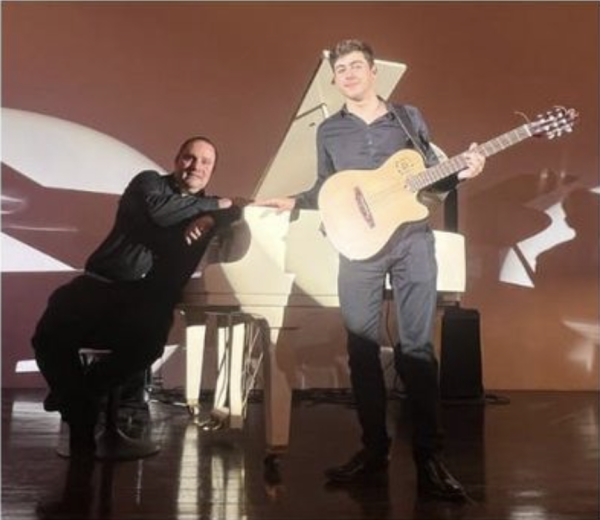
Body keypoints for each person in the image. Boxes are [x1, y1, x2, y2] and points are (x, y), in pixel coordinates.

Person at [256, 39, 485, 501]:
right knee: (361, 349)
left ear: (373, 71)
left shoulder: (408, 117)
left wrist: (463, 170)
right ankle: (372, 450)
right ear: (335, 78)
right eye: (341, 69)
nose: (349, 74)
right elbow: (327, 187)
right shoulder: (328, 131)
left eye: (356, 66)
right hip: (358, 247)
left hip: (412, 242)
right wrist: (295, 201)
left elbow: (435, 174)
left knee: (416, 349)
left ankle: (429, 458)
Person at [32, 136, 245, 458]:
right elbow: (163, 214)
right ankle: (79, 410)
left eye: (205, 162)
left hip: (146, 300)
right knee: (49, 335)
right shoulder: (148, 185)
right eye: (189, 158)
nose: (196, 167)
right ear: (176, 160)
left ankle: (76, 399)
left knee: (146, 345)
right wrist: (215, 207)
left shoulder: (208, 208)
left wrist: (214, 217)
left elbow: (242, 206)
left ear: (213, 170)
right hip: (100, 284)